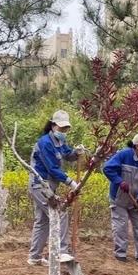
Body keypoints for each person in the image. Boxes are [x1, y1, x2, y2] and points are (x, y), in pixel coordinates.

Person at [27, 110, 84, 266]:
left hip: (49, 185)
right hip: (40, 185)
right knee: (60, 212)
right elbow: (52, 168)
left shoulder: (60, 142)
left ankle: (35, 257)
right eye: (61, 129)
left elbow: (67, 155)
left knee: (43, 220)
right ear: (53, 126)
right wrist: (70, 182)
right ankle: (62, 251)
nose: (63, 132)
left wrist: (76, 153)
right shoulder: (45, 143)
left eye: (65, 129)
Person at [102, 132, 138, 266]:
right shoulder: (124, 155)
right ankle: (120, 253)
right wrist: (119, 181)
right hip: (119, 198)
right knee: (121, 226)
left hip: (136, 199)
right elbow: (107, 168)